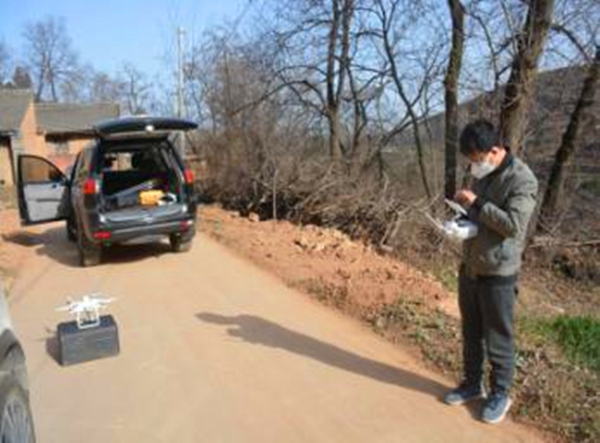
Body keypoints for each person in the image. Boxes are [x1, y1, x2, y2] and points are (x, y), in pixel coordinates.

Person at [443, 119, 538, 424]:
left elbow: (513, 226)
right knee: (471, 332)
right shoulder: (483, 174)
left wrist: (478, 203)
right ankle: (472, 384)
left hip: (499, 271)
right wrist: (461, 220)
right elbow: (480, 216)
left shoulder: (522, 179)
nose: (475, 165)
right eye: (471, 160)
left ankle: (500, 393)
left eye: (478, 159)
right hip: (471, 265)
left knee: (498, 337)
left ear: (495, 150)